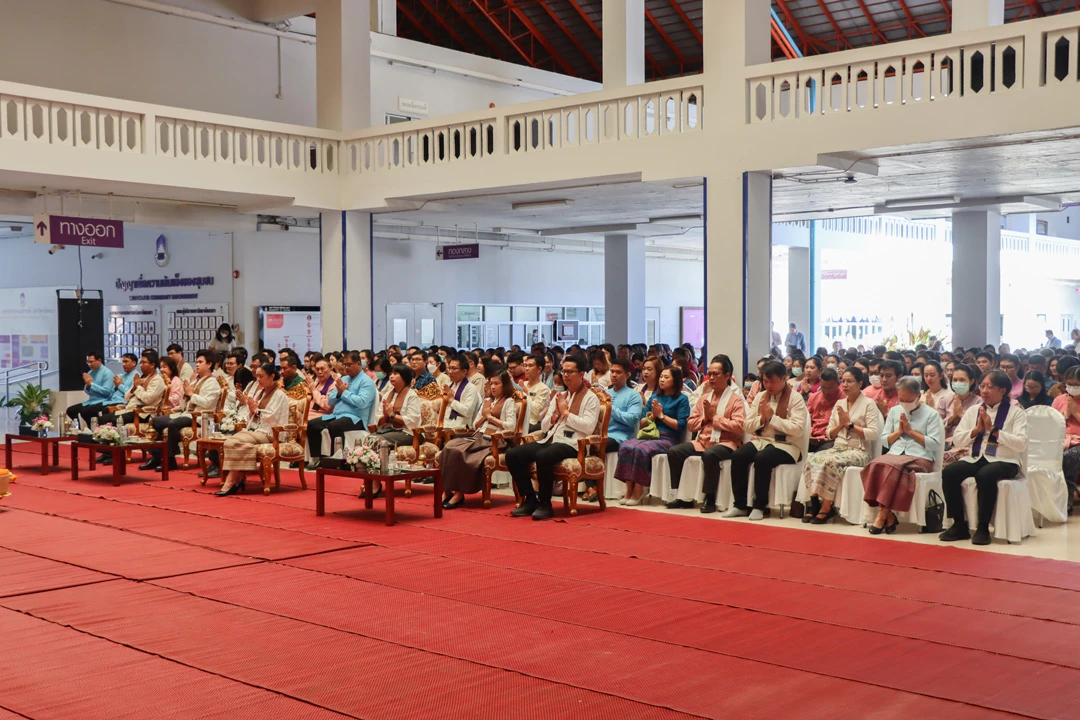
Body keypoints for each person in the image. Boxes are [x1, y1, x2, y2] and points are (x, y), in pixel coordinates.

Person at [505, 353, 600, 521]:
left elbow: (589, 427)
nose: (566, 375)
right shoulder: (560, 395)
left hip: (572, 443)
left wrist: (566, 413)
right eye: (564, 371)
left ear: (581, 374)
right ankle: (530, 499)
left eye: (570, 372)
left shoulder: (590, 397)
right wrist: (555, 414)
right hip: (550, 439)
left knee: (544, 456)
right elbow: (544, 425)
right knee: (513, 454)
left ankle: (545, 504)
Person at [940, 370, 1028, 545]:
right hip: (977, 457)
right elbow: (957, 439)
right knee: (950, 472)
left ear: (1002, 390)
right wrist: (976, 430)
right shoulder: (974, 411)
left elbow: (1021, 444)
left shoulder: (1016, 412)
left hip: (1005, 460)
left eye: (989, 387)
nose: (984, 390)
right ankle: (959, 525)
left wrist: (994, 430)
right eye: (982, 386)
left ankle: (982, 528)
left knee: (985, 475)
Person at [723, 360, 809, 521]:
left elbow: (797, 429)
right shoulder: (761, 396)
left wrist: (772, 418)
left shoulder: (795, 398)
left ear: (784, 378)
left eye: (772, 381)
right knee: (738, 456)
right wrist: (762, 419)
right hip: (762, 441)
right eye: (765, 381)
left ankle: (760, 506)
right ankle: (740, 505)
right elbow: (747, 426)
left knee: (762, 458)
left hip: (788, 446)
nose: (768, 385)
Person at [860, 376, 943, 535]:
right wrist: (899, 431)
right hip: (895, 454)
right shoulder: (895, 411)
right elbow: (884, 440)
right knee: (874, 465)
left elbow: (934, 444)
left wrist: (911, 432)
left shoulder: (931, 414)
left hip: (920, 457)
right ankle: (888, 515)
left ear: (918, 396)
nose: (904, 403)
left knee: (894, 467)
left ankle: (882, 515)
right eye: (901, 399)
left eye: (908, 400)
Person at [665, 355, 746, 514]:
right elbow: (691, 424)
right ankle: (681, 495)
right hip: (702, 441)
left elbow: (738, 427)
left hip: (726, 443)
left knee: (710, 454)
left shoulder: (736, 400)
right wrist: (704, 419)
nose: (711, 378)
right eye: (709, 374)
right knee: (674, 452)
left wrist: (714, 418)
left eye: (716, 374)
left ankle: (710, 497)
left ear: (728, 376)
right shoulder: (704, 398)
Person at [801, 367, 881, 523]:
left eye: (849, 381)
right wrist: (840, 425)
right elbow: (829, 433)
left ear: (860, 383)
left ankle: (827, 506)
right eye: (843, 381)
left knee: (830, 462)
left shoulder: (868, 404)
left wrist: (850, 425)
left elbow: (873, 433)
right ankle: (814, 503)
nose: (845, 384)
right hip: (838, 447)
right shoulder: (840, 403)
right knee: (812, 458)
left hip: (859, 450)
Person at [438, 369, 518, 509]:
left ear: (504, 385)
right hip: (479, 437)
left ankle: (459, 493)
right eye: (491, 383)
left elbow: (510, 427)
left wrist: (490, 417)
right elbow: (475, 425)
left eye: (496, 384)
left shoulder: (509, 402)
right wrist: (484, 415)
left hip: (497, 441)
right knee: (450, 447)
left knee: (462, 453)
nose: (492, 387)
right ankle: (447, 491)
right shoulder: (487, 400)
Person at [615, 366, 690, 505]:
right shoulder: (655, 396)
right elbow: (642, 423)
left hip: (668, 438)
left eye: (666, 377)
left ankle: (639, 491)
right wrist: (653, 417)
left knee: (642, 449)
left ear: (676, 380)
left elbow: (680, 426)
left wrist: (661, 416)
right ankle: (629, 490)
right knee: (626, 446)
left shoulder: (682, 399)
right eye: (661, 376)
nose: (662, 380)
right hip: (648, 434)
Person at [216, 363, 290, 496]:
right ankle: (238, 478)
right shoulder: (261, 392)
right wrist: (252, 410)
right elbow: (253, 415)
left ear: (272, 376)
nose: (258, 380)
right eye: (257, 376)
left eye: (261, 376)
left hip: (271, 432)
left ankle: (232, 480)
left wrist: (257, 410)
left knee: (234, 442)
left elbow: (274, 418)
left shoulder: (280, 395)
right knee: (228, 442)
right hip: (257, 429)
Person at [142, 349, 222, 472]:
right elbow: (185, 403)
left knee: (173, 424)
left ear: (209, 364)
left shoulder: (213, 383)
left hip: (200, 417)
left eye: (201, 362)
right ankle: (157, 457)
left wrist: (191, 394)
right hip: (186, 413)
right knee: (156, 421)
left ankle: (170, 459)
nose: (197, 365)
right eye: (197, 362)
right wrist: (185, 397)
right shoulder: (196, 381)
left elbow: (207, 403)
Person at [305, 351, 376, 469]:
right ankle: (317, 458)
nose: (346, 368)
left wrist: (344, 392)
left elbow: (362, 403)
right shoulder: (343, 378)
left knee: (335, 426)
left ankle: (341, 461)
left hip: (355, 418)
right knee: (312, 425)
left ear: (358, 364)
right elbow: (331, 400)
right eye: (345, 365)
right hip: (337, 415)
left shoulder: (366, 381)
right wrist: (339, 393)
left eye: (349, 365)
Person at [591, 358, 644, 503]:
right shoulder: (606, 393)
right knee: (583, 442)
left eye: (618, 372)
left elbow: (632, 419)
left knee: (598, 444)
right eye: (612, 372)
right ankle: (590, 486)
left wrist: (610, 406)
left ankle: (595, 487)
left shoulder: (633, 395)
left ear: (627, 375)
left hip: (621, 436)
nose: (614, 375)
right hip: (602, 433)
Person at [370, 364, 420, 448]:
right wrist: (386, 415)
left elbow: (413, 421)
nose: (391, 376)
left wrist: (392, 415)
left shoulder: (411, 395)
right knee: (369, 438)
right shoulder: (387, 394)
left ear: (405, 377)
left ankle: (382, 461)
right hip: (389, 430)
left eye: (396, 373)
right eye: (391, 374)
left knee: (377, 440)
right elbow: (378, 418)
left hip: (408, 432)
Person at [1054, 365, 1080, 511]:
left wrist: (1075, 413)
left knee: (1069, 456)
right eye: (1069, 384)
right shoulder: (1059, 400)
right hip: (1061, 439)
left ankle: (1068, 496)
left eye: (1076, 385)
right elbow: (1051, 424)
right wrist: (1065, 416)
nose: (1072, 388)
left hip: (1078, 442)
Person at [67, 351, 115, 427]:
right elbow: (86, 391)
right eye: (88, 362)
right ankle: (80, 429)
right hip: (91, 401)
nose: (89, 364)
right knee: (71, 410)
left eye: (91, 362)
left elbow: (107, 392)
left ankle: (93, 429)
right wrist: (88, 386)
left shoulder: (107, 373)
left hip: (104, 400)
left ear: (99, 360)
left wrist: (91, 384)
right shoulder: (90, 372)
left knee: (85, 411)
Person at [806, 368, 841, 452]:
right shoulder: (814, 397)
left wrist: (828, 437)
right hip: (813, 437)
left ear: (838, 384)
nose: (826, 392)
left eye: (830, 388)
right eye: (823, 387)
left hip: (832, 438)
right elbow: (807, 419)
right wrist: (809, 433)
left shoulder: (844, 399)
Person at [520, 354, 551, 433]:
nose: (526, 369)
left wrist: (526, 393)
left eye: (530, 366)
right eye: (525, 365)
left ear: (539, 369)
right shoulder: (524, 383)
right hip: (518, 419)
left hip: (532, 422)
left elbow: (536, 410)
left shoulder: (543, 388)